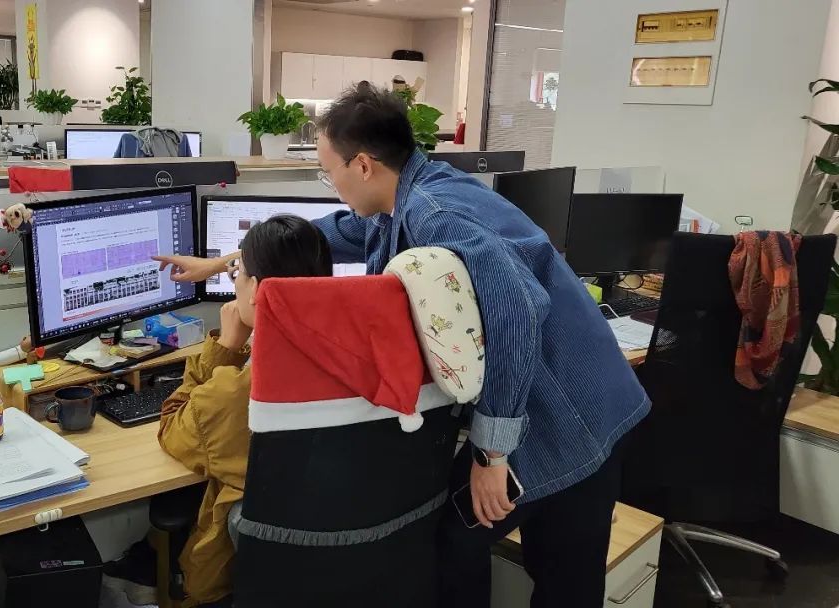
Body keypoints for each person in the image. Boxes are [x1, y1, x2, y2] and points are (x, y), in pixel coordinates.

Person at [153, 82, 650, 608]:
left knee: (479, 548)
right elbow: (327, 233)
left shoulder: (435, 213)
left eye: (328, 171)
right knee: (516, 562)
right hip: (577, 393)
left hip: (567, 412)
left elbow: (516, 308)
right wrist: (227, 261)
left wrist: (491, 453)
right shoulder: (407, 197)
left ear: (363, 165)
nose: (330, 184)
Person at [146, 215, 333, 608]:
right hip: (345, 566)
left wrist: (226, 347)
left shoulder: (235, 392)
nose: (234, 282)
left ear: (258, 291)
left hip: (238, 576)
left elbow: (172, 429)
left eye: (239, 273)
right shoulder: (350, 364)